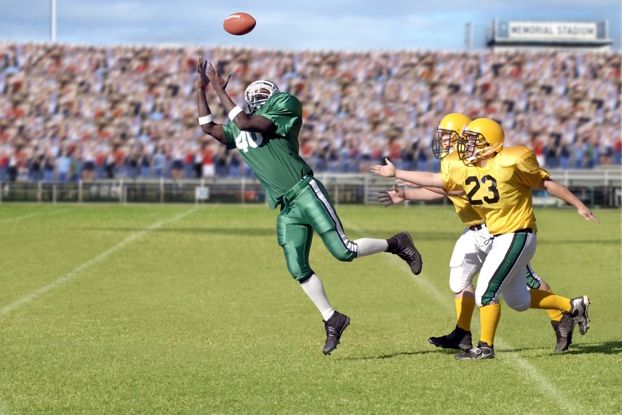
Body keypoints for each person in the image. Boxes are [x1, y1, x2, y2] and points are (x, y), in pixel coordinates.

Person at [195, 57, 422, 355]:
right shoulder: (239, 128)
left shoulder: (284, 105)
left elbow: (246, 123)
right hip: (286, 206)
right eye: (256, 94)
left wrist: (219, 90)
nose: (260, 96)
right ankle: (332, 318)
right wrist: (200, 89)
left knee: (343, 251)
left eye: (264, 92)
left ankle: (396, 243)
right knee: (297, 267)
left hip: (305, 191)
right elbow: (208, 127)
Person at [371, 117, 597, 360]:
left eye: (471, 140)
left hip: (515, 233)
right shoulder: (468, 167)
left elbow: (546, 184)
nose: (465, 145)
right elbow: (440, 182)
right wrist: (400, 178)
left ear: (489, 144)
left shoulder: (509, 162)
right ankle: (571, 306)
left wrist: (578, 204)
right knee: (518, 301)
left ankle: (486, 347)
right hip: (496, 234)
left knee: (490, 291)